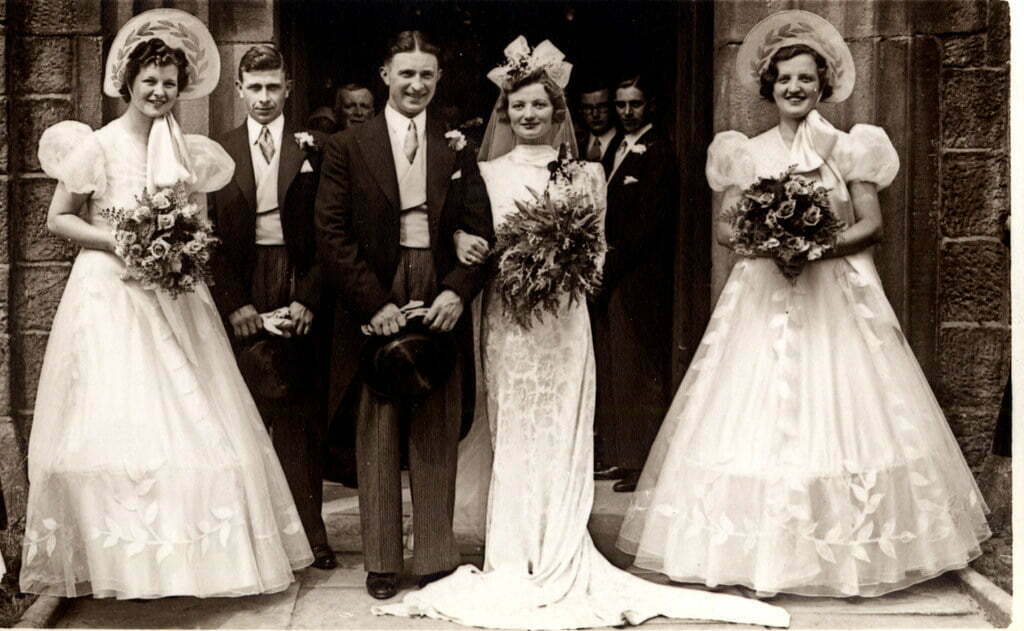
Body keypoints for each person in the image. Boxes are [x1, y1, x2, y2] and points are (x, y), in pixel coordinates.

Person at [375, 36, 789, 630]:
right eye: (518, 107)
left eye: (540, 106)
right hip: (510, 323)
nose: (528, 115)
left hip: (564, 321)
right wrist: (474, 250)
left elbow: (597, 252)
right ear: (505, 114)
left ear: (557, 111)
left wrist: (564, 266)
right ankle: (516, 553)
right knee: (517, 433)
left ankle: (565, 545)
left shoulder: (588, 175)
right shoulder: (484, 173)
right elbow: (466, 242)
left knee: (564, 430)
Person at [616, 10, 991, 598]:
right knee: (755, 410)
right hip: (764, 293)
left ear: (824, 86)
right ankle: (761, 554)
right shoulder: (746, 151)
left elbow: (872, 225)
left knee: (841, 409)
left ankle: (843, 555)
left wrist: (815, 246)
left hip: (836, 294)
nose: (795, 88)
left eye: (806, 80)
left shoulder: (847, 146)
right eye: (785, 79)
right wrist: (771, 243)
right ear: (770, 86)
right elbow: (725, 229)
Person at [19, 9, 313, 599]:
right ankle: (126, 566)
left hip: (175, 294)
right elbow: (60, 217)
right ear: (127, 82)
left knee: (197, 423)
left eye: (170, 83)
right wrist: (122, 242)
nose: (159, 92)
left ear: (182, 89)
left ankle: (193, 564)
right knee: (121, 423)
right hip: (111, 295)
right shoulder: (97, 146)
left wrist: (179, 247)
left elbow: (197, 222)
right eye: (150, 81)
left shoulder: (185, 149)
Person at [315, 31, 493, 601]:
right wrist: (376, 304)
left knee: (437, 419)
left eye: (427, 76)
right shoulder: (349, 145)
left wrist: (458, 292)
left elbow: (481, 228)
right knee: (379, 425)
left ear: (438, 80)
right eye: (406, 74)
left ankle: (438, 555)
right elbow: (332, 233)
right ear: (385, 76)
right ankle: (383, 561)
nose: (417, 85)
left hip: (436, 282)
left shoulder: (455, 148)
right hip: (377, 286)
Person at [208, 44, 337, 571]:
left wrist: (308, 295)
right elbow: (207, 237)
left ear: (288, 89)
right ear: (239, 91)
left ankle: (311, 535)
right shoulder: (219, 150)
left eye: (273, 87)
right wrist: (235, 302)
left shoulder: (317, 150)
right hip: (244, 280)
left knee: (299, 412)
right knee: (245, 407)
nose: (263, 98)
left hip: (300, 277)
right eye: (254, 88)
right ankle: (253, 543)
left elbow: (333, 229)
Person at [591, 74, 678, 492]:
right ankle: (621, 455)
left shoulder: (658, 151)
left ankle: (642, 460)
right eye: (621, 104)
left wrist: (610, 264)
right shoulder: (615, 151)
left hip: (638, 274)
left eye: (635, 105)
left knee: (637, 366)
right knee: (615, 364)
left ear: (650, 107)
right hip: (613, 274)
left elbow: (647, 224)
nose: (627, 112)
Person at [575, 80, 621, 176]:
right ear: (580, 110)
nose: (595, 114)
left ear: (613, 107)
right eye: (587, 108)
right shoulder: (575, 142)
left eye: (602, 106)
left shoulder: (624, 141)